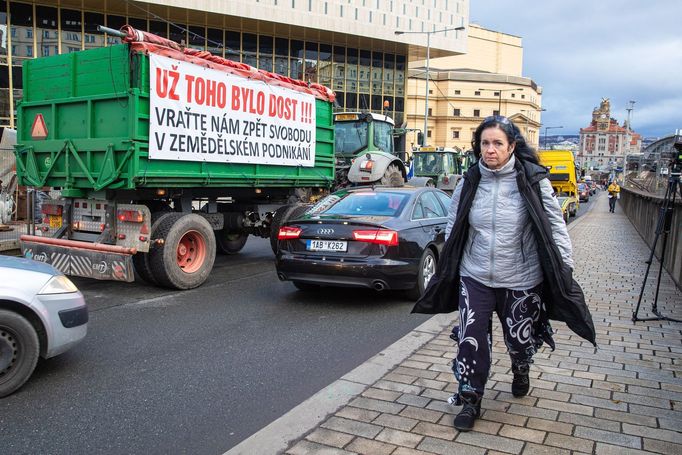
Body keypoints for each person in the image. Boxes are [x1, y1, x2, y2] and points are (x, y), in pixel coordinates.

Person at [412, 115, 596, 432]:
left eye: (498, 143)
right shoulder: (469, 181)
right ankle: (470, 399)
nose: (490, 150)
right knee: (471, 340)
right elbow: (454, 225)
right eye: (485, 143)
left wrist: (564, 267)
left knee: (519, 341)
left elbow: (555, 227)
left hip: (522, 278)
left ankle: (520, 367)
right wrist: (449, 264)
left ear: (512, 146)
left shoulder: (533, 181)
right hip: (476, 274)